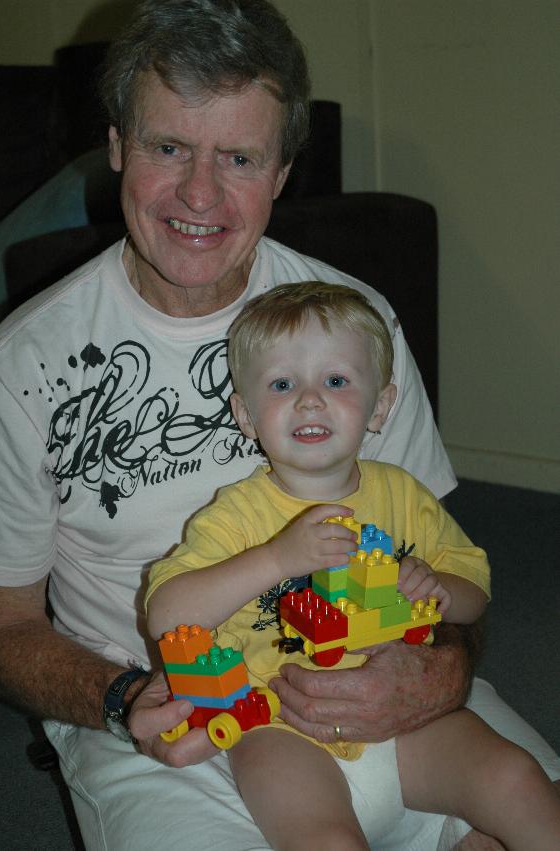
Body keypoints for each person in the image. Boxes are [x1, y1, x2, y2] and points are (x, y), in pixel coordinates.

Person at [0, 2, 557, 849]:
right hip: (175, 721)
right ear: (115, 146)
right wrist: (121, 695)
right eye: (168, 147)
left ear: (283, 171)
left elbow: (442, 558)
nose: (199, 193)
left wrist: (445, 661)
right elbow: (4, 623)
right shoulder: (24, 360)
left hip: (382, 680)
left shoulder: (354, 325)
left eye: (240, 158)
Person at [145, 282, 560, 851]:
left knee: (515, 779)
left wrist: (437, 589)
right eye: (283, 384)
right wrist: (275, 558)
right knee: (325, 840)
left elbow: (475, 588)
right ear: (245, 414)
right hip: (280, 724)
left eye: (336, 380)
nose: (310, 400)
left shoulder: (403, 494)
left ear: (381, 406)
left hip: (410, 720)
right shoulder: (235, 513)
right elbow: (167, 613)